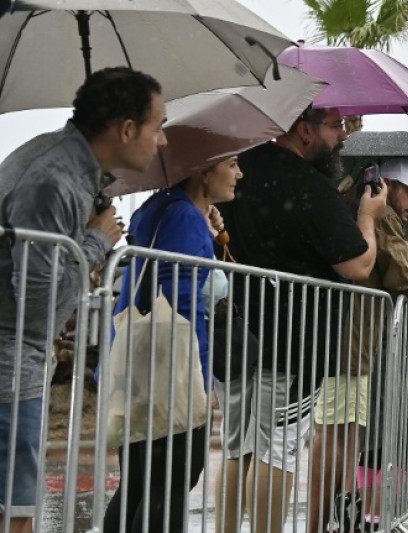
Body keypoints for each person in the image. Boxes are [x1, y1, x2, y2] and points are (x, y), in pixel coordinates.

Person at [215, 106, 387, 533]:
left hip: (237, 333)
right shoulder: (308, 185)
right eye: (337, 126)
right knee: (279, 451)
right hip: (294, 340)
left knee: (238, 449)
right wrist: (368, 217)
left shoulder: (239, 169)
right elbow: (358, 266)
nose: (344, 136)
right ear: (305, 130)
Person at [0, 67, 155, 531]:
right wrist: (94, 242)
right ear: (126, 129)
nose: (162, 141)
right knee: (17, 513)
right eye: (159, 126)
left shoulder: (69, 171)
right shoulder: (54, 179)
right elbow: (38, 298)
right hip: (10, 363)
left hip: (20, 358)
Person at [103, 153, 241, 532]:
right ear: (202, 168)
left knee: (138, 482)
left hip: (143, 362)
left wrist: (206, 230)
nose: (238, 173)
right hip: (171, 370)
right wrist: (199, 376)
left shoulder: (162, 207)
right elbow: (181, 302)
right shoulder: (181, 216)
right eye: (230, 164)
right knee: (171, 483)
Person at [309, 158, 408, 533]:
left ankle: (340, 521)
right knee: (338, 435)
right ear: (385, 185)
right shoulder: (380, 216)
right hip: (352, 341)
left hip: (356, 340)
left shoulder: (373, 210)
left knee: (346, 436)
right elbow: (406, 278)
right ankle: (326, 523)